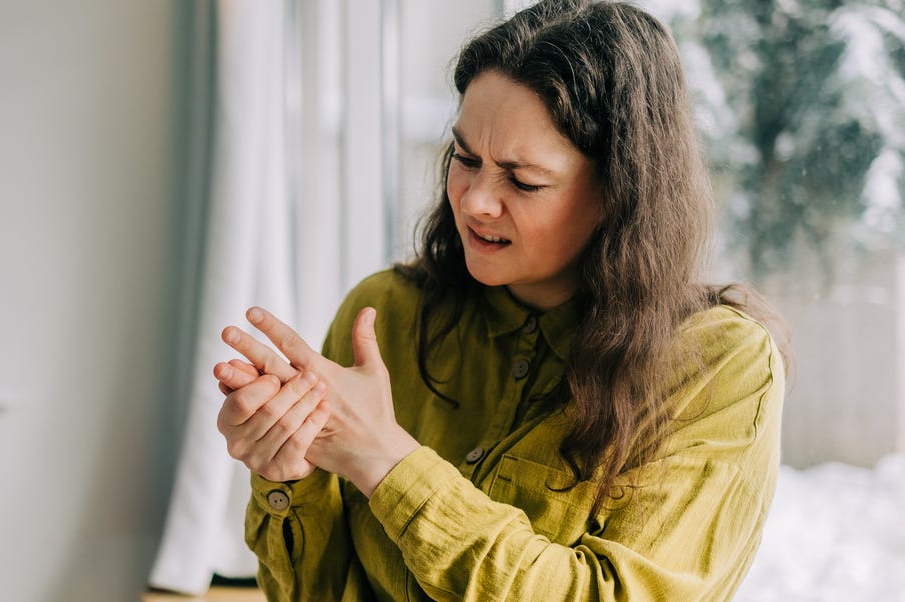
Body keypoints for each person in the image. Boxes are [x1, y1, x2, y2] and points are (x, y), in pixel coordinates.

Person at [212, 0, 789, 599]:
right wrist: (287, 472)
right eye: (465, 159)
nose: (474, 201)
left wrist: (385, 460)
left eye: (523, 180)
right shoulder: (385, 313)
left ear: (621, 191)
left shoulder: (719, 365)